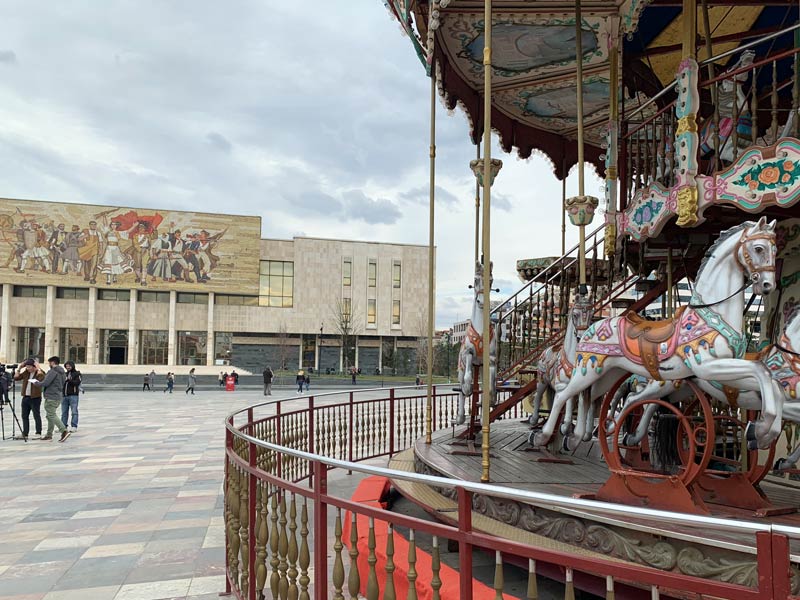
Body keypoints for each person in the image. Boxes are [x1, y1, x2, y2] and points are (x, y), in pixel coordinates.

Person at [35, 357, 69, 442]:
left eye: (49, 363)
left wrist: (36, 383)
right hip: (58, 396)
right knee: (49, 415)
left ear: (52, 363)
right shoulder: (62, 372)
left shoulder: (53, 371)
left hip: (51, 396)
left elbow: (46, 383)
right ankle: (49, 435)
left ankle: (64, 431)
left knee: (51, 415)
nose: (49, 365)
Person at [14, 359, 44, 441]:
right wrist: (19, 368)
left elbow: (41, 378)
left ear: (34, 366)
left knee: (36, 415)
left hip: (35, 398)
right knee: (24, 416)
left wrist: (38, 369)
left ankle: (38, 433)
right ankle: (25, 433)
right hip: (26, 397)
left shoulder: (40, 372)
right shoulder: (26, 373)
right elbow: (16, 378)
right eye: (27, 367)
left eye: (30, 367)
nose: (28, 368)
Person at [61, 361, 81, 432]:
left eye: (69, 366)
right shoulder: (64, 374)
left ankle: (74, 426)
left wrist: (69, 380)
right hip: (64, 396)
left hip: (73, 395)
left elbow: (77, 383)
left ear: (72, 366)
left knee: (74, 411)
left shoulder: (77, 374)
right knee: (64, 412)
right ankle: (63, 426)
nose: (68, 367)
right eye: (66, 366)